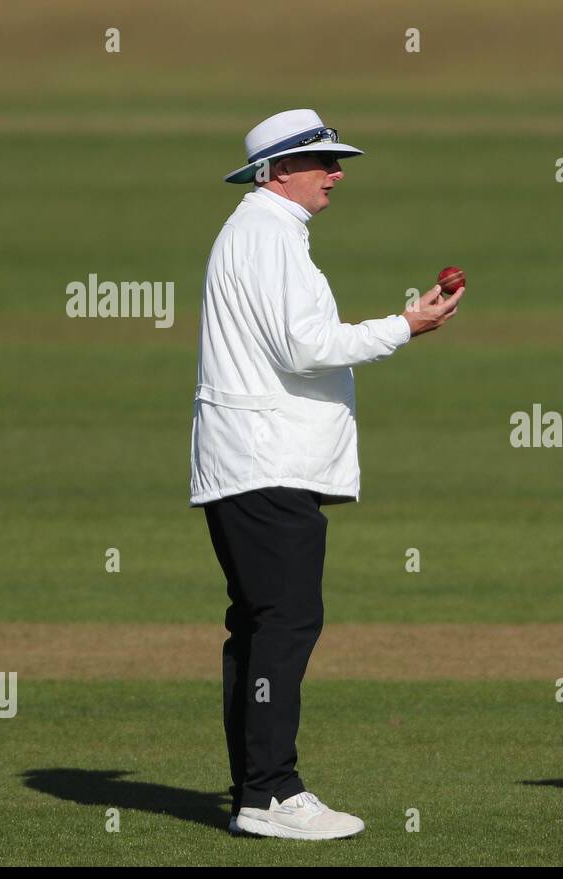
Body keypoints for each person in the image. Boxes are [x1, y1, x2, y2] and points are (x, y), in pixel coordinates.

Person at [190, 109, 462, 840]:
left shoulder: (262, 230)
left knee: (258, 628)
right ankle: (271, 794)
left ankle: (258, 788)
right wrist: (405, 327)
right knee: (283, 622)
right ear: (279, 170)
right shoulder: (267, 233)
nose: (338, 174)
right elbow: (305, 347)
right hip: (264, 460)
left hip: (251, 460)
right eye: (325, 162)